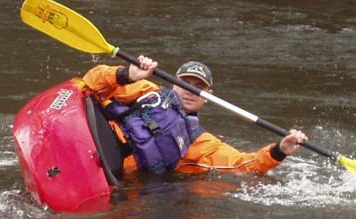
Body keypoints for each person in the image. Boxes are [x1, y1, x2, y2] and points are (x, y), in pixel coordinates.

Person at [81, 55, 308, 176]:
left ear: (208, 96)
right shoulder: (145, 89)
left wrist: (279, 150)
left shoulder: (200, 142)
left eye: (198, 87)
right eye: (185, 83)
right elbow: (90, 82)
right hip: (86, 144)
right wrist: (127, 74)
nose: (190, 90)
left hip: (109, 175)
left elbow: (244, 164)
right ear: (173, 84)